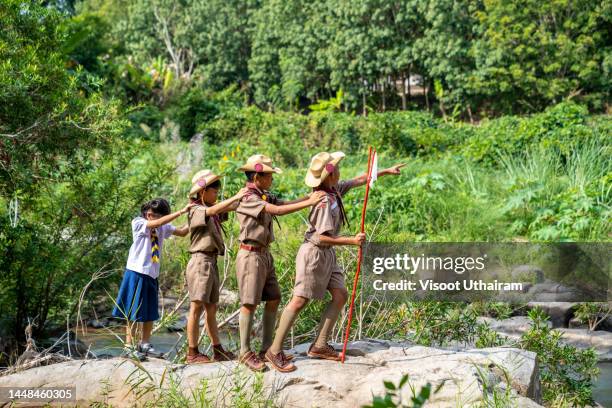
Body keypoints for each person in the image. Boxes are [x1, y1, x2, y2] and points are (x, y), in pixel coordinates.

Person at [265, 151, 405, 372]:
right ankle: (274, 351)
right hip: (314, 253)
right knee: (300, 300)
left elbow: (361, 179)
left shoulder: (335, 190)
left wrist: (385, 171)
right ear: (329, 175)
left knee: (340, 295)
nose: (340, 171)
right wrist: (351, 241)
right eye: (337, 168)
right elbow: (320, 236)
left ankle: (319, 345)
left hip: (328, 254)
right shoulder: (322, 200)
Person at [235, 154, 326, 371]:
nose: (272, 179)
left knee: (274, 297)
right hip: (250, 254)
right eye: (269, 176)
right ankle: (244, 351)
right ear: (257, 176)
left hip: (264, 254)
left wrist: (308, 198)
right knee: (249, 303)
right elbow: (276, 211)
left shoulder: (263, 194)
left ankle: (267, 348)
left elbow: (283, 203)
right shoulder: (249, 197)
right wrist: (310, 202)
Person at [112, 198, 191, 361]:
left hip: (152, 274)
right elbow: (155, 224)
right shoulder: (139, 223)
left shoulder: (161, 226)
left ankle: (145, 344)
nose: (152, 216)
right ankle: (129, 346)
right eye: (150, 213)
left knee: (149, 312)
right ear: (146, 214)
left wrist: (196, 215)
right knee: (133, 311)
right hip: (137, 272)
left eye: (157, 215)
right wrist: (181, 211)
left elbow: (182, 232)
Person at [184, 169, 247, 364]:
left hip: (210, 261)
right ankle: (192, 352)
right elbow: (212, 210)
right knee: (196, 307)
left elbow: (227, 208)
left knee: (211, 308)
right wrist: (236, 196)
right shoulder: (195, 209)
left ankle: (217, 349)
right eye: (214, 190)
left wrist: (246, 198)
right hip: (200, 261)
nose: (217, 194)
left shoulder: (211, 208)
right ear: (203, 192)